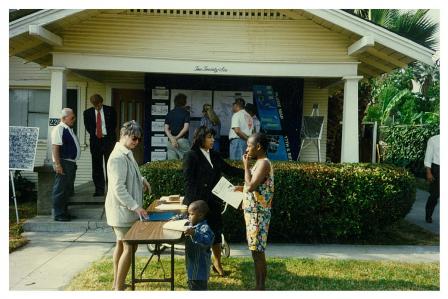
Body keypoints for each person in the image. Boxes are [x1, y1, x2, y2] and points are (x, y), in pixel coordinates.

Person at [183, 126, 243, 276]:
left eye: (213, 137)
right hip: (198, 204)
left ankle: (217, 264)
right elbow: (188, 182)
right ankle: (196, 267)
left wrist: (249, 173)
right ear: (201, 138)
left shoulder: (214, 155)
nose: (213, 140)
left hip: (213, 202)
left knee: (216, 232)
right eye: (209, 137)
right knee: (197, 235)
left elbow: (229, 169)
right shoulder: (191, 155)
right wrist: (190, 206)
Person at [105, 120, 151, 291]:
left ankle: (117, 282)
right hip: (122, 211)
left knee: (121, 244)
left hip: (123, 211)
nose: (136, 142)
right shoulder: (117, 157)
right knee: (130, 246)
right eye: (134, 138)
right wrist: (136, 206)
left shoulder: (126, 152)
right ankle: (118, 287)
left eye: (139, 139)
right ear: (124, 135)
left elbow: (129, 175)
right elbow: (118, 187)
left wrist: (141, 180)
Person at [236, 133, 274, 290]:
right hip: (253, 214)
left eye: (249, 146)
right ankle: (259, 287)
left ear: (258, 147)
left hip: (258, 215)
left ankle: (260, 288)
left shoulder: (264, 163)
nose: (246, 149)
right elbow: (252, 186)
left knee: (257, 252)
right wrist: (241, 189)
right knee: (255, 251)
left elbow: (251, 185)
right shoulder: (258, 162)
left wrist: (245, 166)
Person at [83, 94, 117, 196]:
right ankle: (99, 190)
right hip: (96, 141)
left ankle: (111, 190)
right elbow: (88, 127)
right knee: (97, 166)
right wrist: (97, 133)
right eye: (95, 105)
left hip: (108, 141)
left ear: (101, 102)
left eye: (99, 105)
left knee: (110, 165)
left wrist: (106, 134)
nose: (97, 107)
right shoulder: (87, 113)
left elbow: (114, 124)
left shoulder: (110, 110)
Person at [51, 108, 81, 222]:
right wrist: (58, 164)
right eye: (72, 117)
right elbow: (55, 147)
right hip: (63, 162)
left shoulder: (68, 129)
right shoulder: (59, 129)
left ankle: (64, 212)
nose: (74, 119)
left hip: (70, 163)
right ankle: (58, 214)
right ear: (64, 118)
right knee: (60, 188)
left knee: (67, 189)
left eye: (74, 117)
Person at [184, 200, 215, 290]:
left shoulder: (204, 228)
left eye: (191, 214)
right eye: (188, 214)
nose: (189, 217)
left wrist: (194, 234)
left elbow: (207, 241)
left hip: (199, 271)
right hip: (192, 267)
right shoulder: (193, 224)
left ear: (200, 215)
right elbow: (185, 220)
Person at [164, 93, 191, 160]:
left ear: (175, 102)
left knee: (172, 166)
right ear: (184, 102)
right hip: (182, 141)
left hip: (171, 142)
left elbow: (166, 129)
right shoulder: (186, 113)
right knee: (185, 164)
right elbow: (185, 128)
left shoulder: (170, 113)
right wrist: (176, 138)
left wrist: (172, 139)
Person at [424, 134, 440, 223]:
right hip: (437, 169)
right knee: (434, 195)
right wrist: (429, 172)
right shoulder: (433, 139)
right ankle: (428, 215)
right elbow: (428, 157)